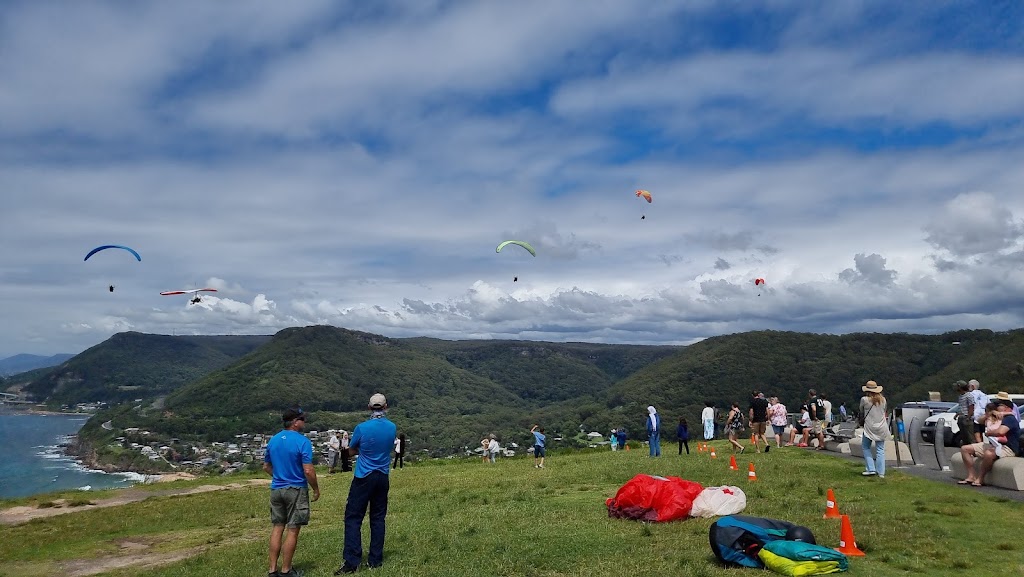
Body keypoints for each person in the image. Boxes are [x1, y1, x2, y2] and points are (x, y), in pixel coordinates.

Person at [336, 393, 397, 574]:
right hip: (382, 474)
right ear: (386, 406)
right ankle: (375, 560)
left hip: (364, 475)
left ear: (369, 407)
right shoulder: (392, 427)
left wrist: (345, 451)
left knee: (353, 517)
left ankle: (352, 561)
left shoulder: (362, 428)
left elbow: (353, 450)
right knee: (378, 517)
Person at [265, 407, 320, 577]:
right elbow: (309, 470)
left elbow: (266, 466)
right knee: (293, 529)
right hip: (295, 488)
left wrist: (280, 476)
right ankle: (286, 570)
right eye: (302, 419)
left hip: (276, 488)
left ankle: (272, 569)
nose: (304, 422)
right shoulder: (302, 441)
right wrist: (316, 488)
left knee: (277, 527)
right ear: (295, 422)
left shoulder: (273, 440)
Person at [958, 398, 1020, 486]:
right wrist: (990, 413)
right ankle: (971, 476)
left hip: (1007, 447)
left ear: (1006, 407)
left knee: (989, 454)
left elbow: (1000, 432)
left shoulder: (1010, 418)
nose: (997, 408)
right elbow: (979, 420)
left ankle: (980, 478)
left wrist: (989, 433)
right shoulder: (998, 416)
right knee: (965, 449)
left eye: (999, 406)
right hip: (994, 445)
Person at [859, 381, 890, 478]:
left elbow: (861, 410)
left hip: (869, 426)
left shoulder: (864, 399)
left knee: (865, 447)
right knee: (880, 449)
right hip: (881, 426)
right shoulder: (883, 400)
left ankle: (871, 468)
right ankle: (881, 473)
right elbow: (884, 411)